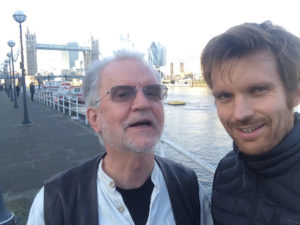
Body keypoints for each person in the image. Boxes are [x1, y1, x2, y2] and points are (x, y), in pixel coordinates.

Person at [27, 50, 212, 225]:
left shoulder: (188, 188)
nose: (143, 103)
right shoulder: (55, 203)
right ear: (94, 118)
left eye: (153, 92)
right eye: (123, 94)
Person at [201, 21, 300, 225]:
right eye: (225, 96)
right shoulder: (226, 171)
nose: (240, 114)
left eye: (258, 90)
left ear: (295, 94)